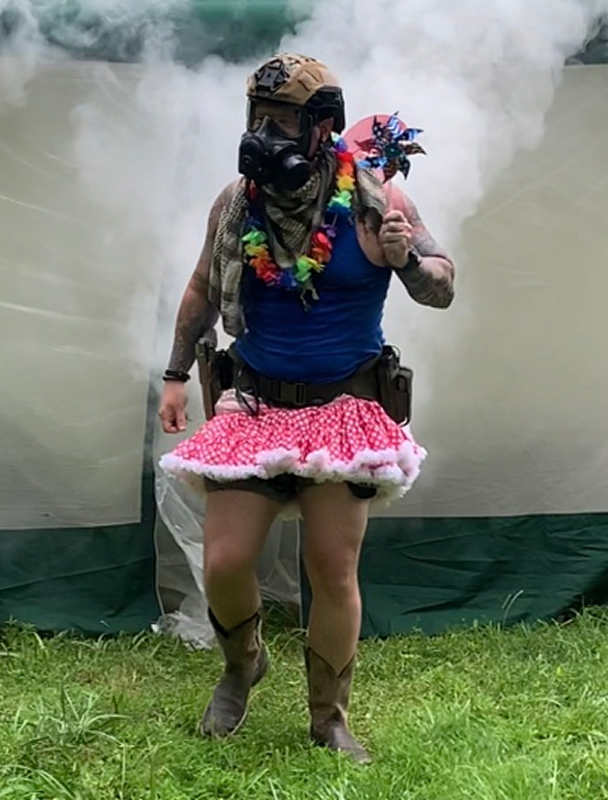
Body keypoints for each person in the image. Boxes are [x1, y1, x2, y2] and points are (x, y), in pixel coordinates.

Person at [158, 53, 454, 764]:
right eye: (258, 118)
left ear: (323, 126)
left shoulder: (377, 200)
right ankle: (243, 664)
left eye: (283, 120)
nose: (265, 133)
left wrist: (406, 260)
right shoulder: (237, 204)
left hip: (344, 409)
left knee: (332, 568)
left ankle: (329, 716)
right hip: (255, 403)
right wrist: (174, 373)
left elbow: (442, 286)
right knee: (226, 561)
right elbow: (202, 287)